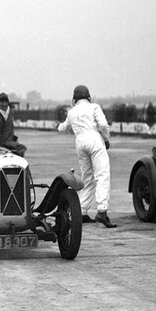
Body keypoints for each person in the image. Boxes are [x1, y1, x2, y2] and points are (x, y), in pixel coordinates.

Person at [57, 85, 116, 228]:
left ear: (74, 99)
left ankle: (82, 211)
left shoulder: (72, 112)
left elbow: (62, 127)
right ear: (88, 97)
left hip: (80, 143)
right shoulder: (94, 107)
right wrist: (106, 139)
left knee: (87, 177)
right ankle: (102, 211)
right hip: (94, 139)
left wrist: (58, 126)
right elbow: (103, 124)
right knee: (102, 175)